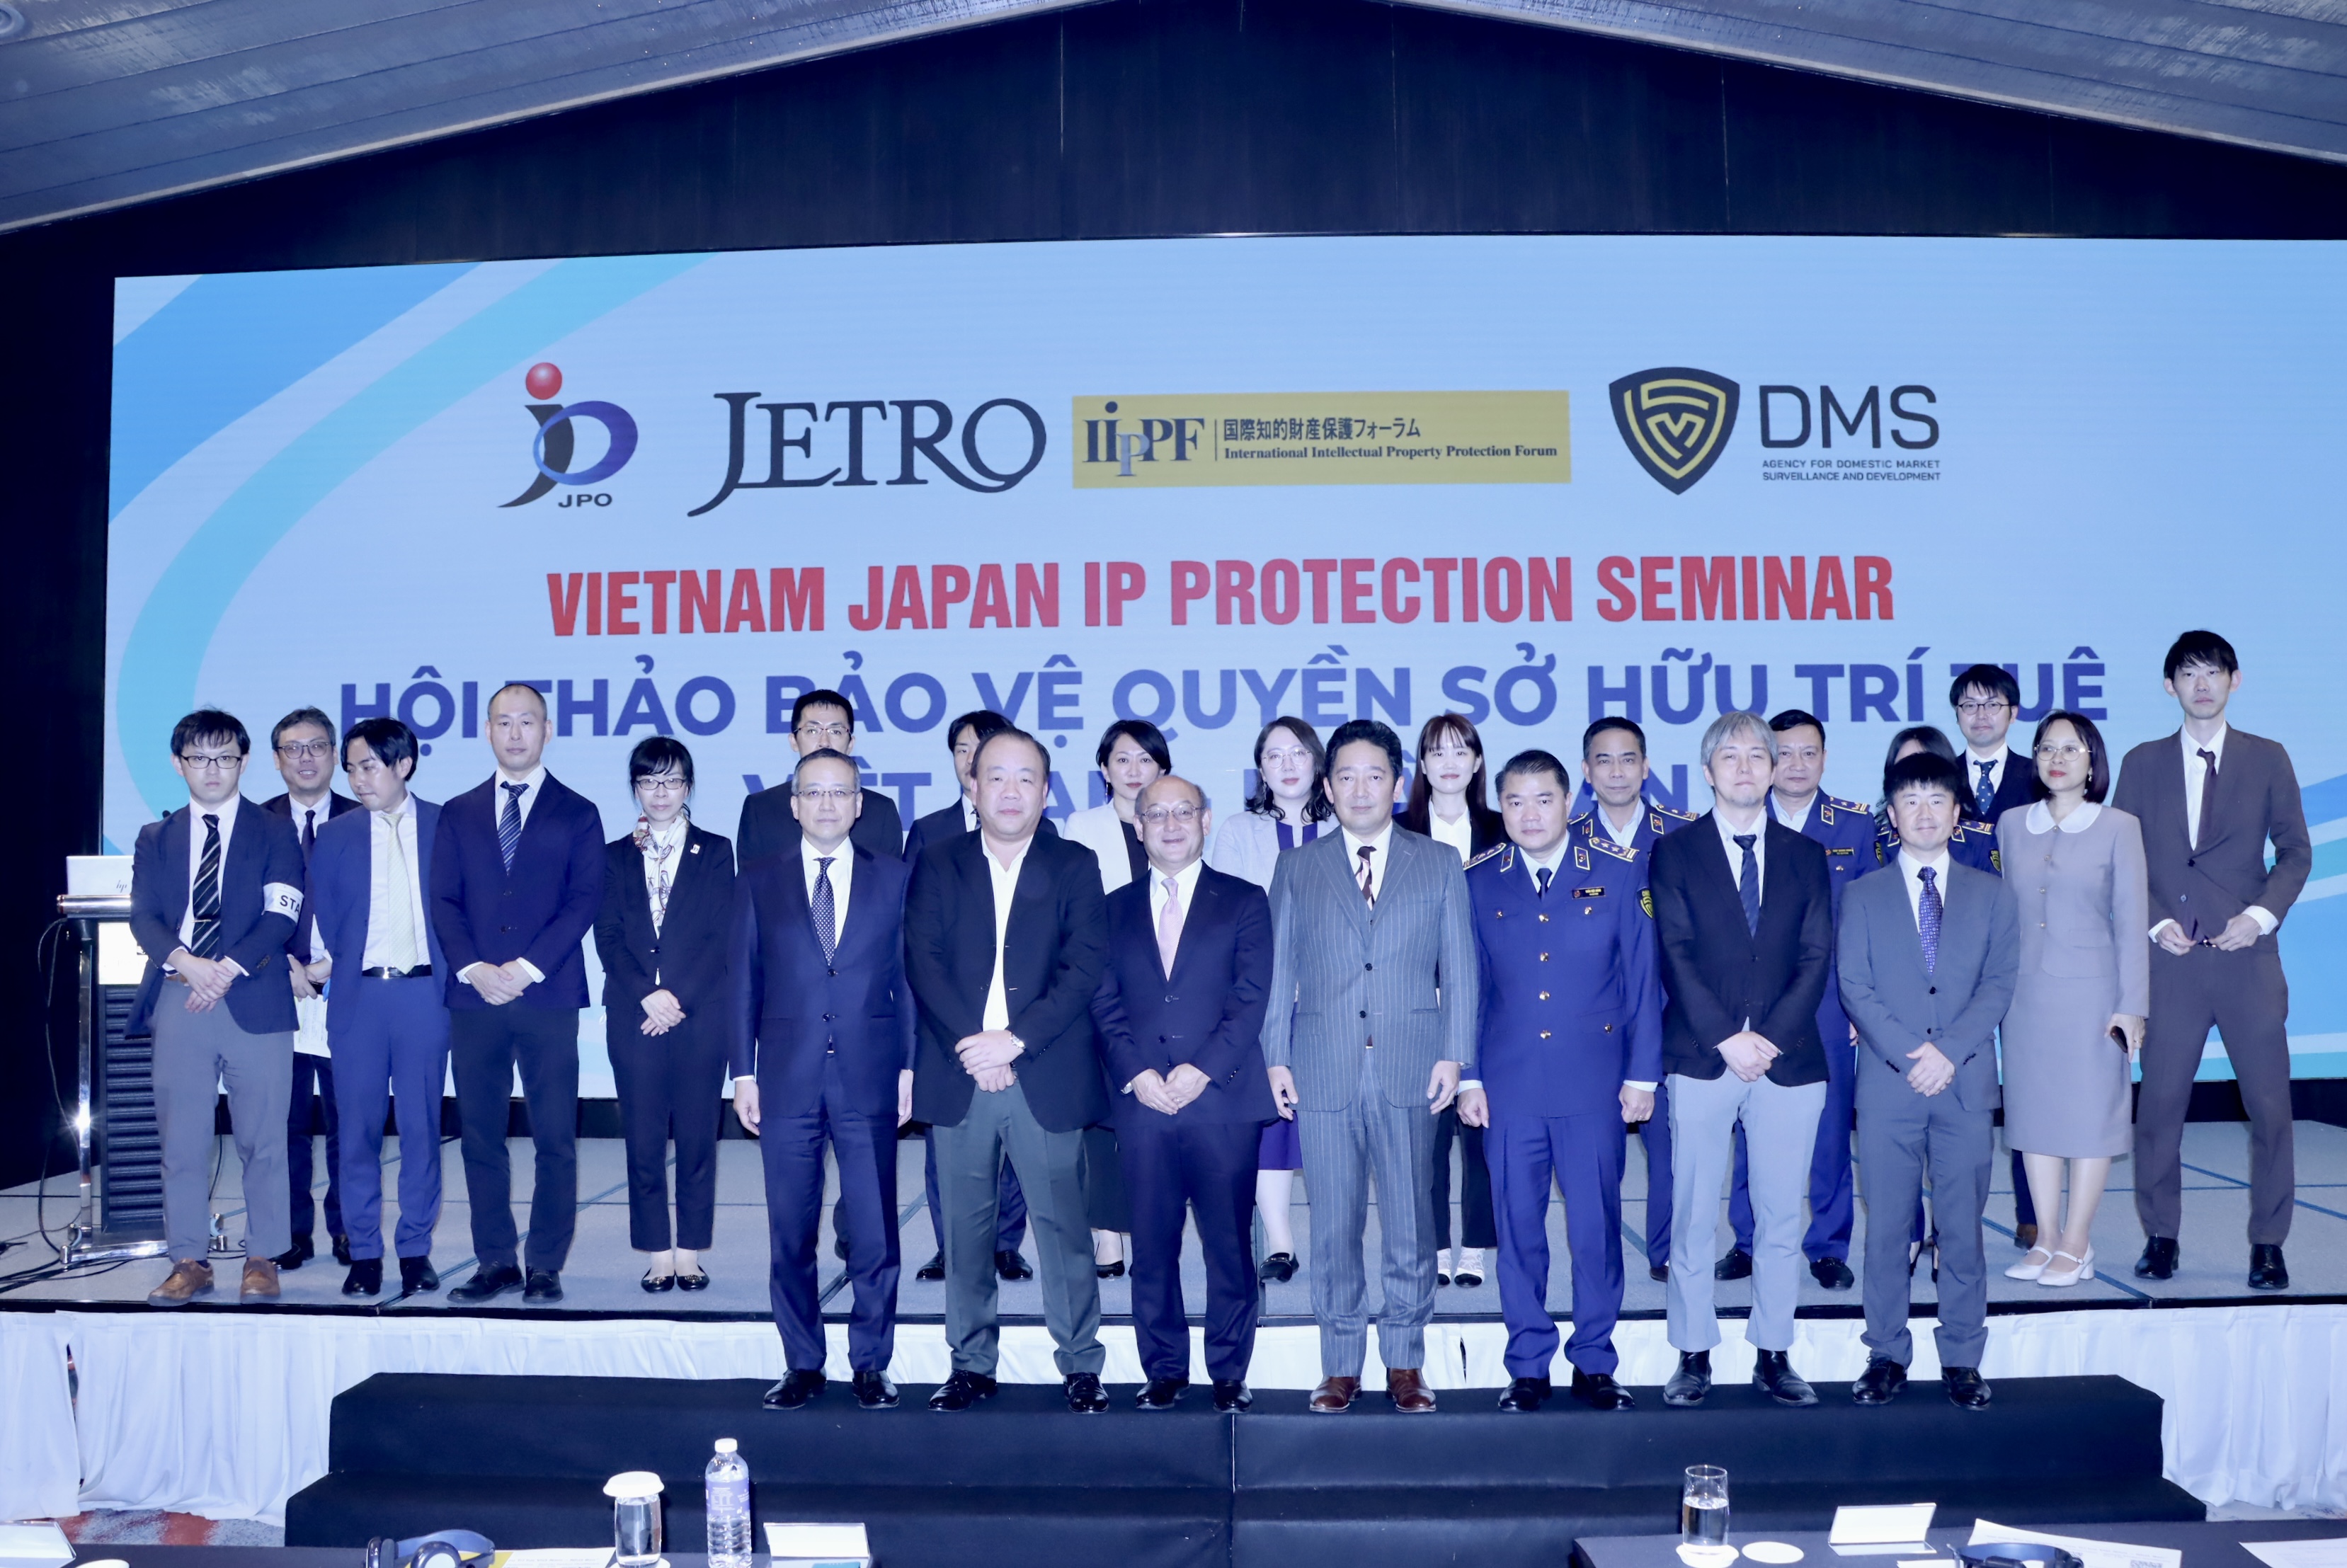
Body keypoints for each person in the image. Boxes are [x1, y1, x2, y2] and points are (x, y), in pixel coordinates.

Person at [1262, 719, 1477, 1414]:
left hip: (1412, 1063)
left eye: (1375, 775)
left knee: (1411, 1222)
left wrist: (1455, 1052)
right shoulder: (1298, 868)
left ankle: (1406, 1361)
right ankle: (1340, 1363)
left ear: (1398, 783)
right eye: (1346, 776)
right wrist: (1274, 1057)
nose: (1360, 789)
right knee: (1333, 1226)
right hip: (1321, 1067)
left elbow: (1461, 966)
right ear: (1326, 788)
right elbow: (1277, 970)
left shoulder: (1437, 862)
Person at [908, 726, 1114, 1414]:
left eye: (1027, 777)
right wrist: (976, 1045)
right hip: (960, 1071)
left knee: (1063, 1230)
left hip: (1042, 1069)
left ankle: (1080, 1363)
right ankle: (970, 1363)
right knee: (964, 1234)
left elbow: (1084, 965)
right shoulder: (937, 861)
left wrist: (1013, 1042)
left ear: (1046, 791)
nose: (1010, 790)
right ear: (972, 784)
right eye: (995, 775)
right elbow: (922, 961)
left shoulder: (1075, 863)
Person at [1458, 749, 1661, 1412]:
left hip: (1593, 1084)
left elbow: (1642, 982)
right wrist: (1467, 1076)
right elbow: (1466, 987)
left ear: (1568, 802)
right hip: (1508, 1086)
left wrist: (1642, 1075)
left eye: (1542, 799)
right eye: (1514, 801)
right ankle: (1527, 1363)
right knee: (1517, 1228)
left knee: (1595, 1229)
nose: (1528, 813)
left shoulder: (1619, 871)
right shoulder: (1477, 880)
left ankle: (1595, 1360)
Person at [2115, 631, 2312, 1291]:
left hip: (2246, 959)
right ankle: (2161, 1236)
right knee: (2159, 1106)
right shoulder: (2141, 762)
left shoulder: (2267, 757)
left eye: (2213, 672)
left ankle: (2268, 1243)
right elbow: (2123, 859)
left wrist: (2259, 916)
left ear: (2234, 679)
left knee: (2270, 1107)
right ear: (2168, 685)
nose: (2201, 685)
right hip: (2171, 963)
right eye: (2188, 673)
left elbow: (2295, 851)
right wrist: (2154, 921)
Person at [1648, 711, 1832, 1409]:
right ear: (1707, 771)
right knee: (1694, 1213)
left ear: (1775, 768)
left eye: (1759, 755)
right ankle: (1693, 1351)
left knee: (1782, 1216)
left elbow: (1816, 954)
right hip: (1703, 1053)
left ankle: (1774, 1351)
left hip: (1789, 1058)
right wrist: (1728, 1036)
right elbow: (1674, 952)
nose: (1747, 767)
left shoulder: (1805, 854)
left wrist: (1770, 1037)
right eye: (1731, 756)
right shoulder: (1675, 851)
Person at [730, 748, 916, 1411]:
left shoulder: (895, 877)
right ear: (794, 804)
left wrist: (909, 1065)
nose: (827, 804)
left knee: (874, 1229)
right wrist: (742, 1072)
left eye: (840, 792)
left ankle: (871, 1361)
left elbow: (908, 980)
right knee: (790, 1231)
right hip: (785, 1077)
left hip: (870, 1074)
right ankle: (802, 1362)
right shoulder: (758, 878)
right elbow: (742, 981)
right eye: (813, 792)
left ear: (859, 804)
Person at [1839, 751, 2020, 1411]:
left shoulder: (1991, 893)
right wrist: (1912, 1052)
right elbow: (1854, 984)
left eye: (1936, 800)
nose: (1923, 812)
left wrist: (1947, 1051)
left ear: (1956, 812)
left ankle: (1963, 1355)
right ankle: (1885, 1352)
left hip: (1964, 1082)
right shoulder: (1861, 894)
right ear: (1891, 815)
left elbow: (1998, 983)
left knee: (1961, 1227)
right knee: (1888, 1226)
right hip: (1888, 1085)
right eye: (1909, 801)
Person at [1090, 774, 1274, 1414]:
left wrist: (1201, 1070)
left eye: (1183, 812)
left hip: (1221, 1100)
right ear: (1138, 827)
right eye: (1156, 814)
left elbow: (1250, 997)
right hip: (1141, 1103)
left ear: (1205, 820)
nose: (1170, 824)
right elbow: (1102, 1001)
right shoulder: (1110, 908)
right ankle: (1163, 1369)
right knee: (1151, 1246)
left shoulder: (1244, 900)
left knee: (1228, 1246)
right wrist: (1136, 1073)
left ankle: (1228, 1371)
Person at [431, 682, 605, 1305]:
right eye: (503, 722)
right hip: (474, 998)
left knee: (554, 1136)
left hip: (548, 996)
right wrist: (474, 967)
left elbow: (584, 900)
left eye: (526, 721)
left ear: (547, 730)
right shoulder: (458, 811)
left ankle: (546, 1264)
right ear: (487, 730)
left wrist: (527, 968)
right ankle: (496, 1260)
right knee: (480, 1136)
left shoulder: (578, 811)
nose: (514, 733)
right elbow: (443, 899)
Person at [132, 709, 305, 1305]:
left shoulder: (274, 829)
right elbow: (143, 916)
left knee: (264, 1138)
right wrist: (188, 963)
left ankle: (263, 1256)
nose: (213, 769)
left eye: (225, 757)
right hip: (181, 998)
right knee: (182, 1142)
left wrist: (224, 968)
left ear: (244, 761)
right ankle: (189, 1258)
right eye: (200, 758)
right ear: (178, 763)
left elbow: (281, 912)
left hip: (254, 995)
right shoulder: (155, 837)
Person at [1718, 709, 1878, 1291]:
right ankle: (1747, 1240)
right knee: (1748, 1126)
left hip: (1829, 1002)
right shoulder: (1739, 820)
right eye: (1782, 752)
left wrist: (1859, 1002)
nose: (1795, 763)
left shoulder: (1855, 827)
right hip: (1753, 1004)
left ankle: (1828, 1245)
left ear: (1825, 759)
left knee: (1830, 1131)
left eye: (1808, 752)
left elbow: (1867, 921)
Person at [1998, 713, 2147, 1289]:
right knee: (2033, 1118)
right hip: (2024, 995)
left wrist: (2132, 1004)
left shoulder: (2118, 826)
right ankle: (2046, 1237)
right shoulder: (2012, 824)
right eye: (2045, 748)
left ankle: (2077, 1242)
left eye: (2070, 748)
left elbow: (2130, 920)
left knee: (2089, 1120)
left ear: (2092, 762)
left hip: (2093, 997)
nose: (2056, 758)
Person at [304, 717, 450, 1298]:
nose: (358, 779)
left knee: (421, 1129)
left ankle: (415, 1250)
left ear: (403, 765)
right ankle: (363, 1251)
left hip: (424, 996)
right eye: (351, 769)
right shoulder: (335, 835)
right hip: (358, 997)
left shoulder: (445, 825)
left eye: (369, 766)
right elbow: (324, 915)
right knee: (356, 1132)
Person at [1877, 723, 2029, 1252]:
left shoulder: (1980, 845)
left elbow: (1994, 957)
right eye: (1905, 777)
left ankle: (1950, 1240)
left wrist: (1955, 1040)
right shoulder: (1875, 842)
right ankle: (1910, 1235)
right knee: (1895, 1163)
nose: (1922, 804)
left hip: (1963, 1032)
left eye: (1932, 784)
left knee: (1961, 1166)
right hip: (1894, 1030)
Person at [594, 738, 738, 1292]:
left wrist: (677, 999)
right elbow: (607, 936)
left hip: (699, 1016)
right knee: (644, 1138)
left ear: (688, 786)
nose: (661, 792)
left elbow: (722, 933)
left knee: (699, 1138)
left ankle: (690, 1249)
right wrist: (645, 995)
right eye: (649, 781)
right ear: (635, 787)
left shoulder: (716, 849)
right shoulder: (613, 855)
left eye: (672, 780)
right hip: (634, 1016)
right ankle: (658, 1249)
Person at [898, 708, 1032, 1285]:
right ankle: (949, 1245)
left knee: (1018, 1143)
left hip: (1017, 1019)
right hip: (948, 1015)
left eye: (986, 748)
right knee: (946, 1142)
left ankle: (1005, 1244)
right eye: (962, 750)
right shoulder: (929, 830)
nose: (973, 758)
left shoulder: (1040, 829)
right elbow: (914, 932)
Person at [1206, 716, 1333, 1284]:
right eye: (1274, 755)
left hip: (1335, 999)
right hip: (1265, 998)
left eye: (1297, 752)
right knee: (1272, 1123)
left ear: (1316, 760)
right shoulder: (1239, 830)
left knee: (1331, 1122)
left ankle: (1334, 1238)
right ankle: (1280, 1242)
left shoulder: (1345, 825)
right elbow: (1226, 918)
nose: (1286, 764)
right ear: (1260, 768)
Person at [1573, 716, 1692, 1283]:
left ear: (1646, 768)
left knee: (1669, 1145)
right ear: (1585, 770)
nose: (1616, 771)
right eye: (1604, 760)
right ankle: (1599, 1256)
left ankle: (1666, 1250)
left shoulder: (1684, 835)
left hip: (1669, 1014)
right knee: (1594, 1152)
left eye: (1628, 759)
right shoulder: (1564, 836)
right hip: (1588, 1021)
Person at [1399, 713, 1504, 1289]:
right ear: (1421, 763)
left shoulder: (1502, 828)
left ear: (1477, 761)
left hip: (1489, 999)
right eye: (1436, 752)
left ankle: (1477, 1246)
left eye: (1460, 750)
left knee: (1483, 1131)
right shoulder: (1397, 830)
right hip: (1417, 1000)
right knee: (1426, 1136)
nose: (1448, 762)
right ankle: (1435, 1244)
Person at [1066, 720, 1172, 1279]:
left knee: (1154, 1112)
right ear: (1104, 769)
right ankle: (1107, 1235)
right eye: (1122, 760)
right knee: (1103, 1114)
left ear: (1163, 768)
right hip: (1099, 982)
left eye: (1145, 760)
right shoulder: (1080, 827)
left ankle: (1150, 1227)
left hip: (1163, 988)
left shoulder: (1176, 820)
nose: (1134, 770)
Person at [261, 706, 362, 1271]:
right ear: (277, 759)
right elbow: (238, 909)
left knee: (350, 1121)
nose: (306, 757)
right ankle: (290, 1232)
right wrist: (282, 963)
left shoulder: (365, 817)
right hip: (274, 990)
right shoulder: (255, 824)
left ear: (335, 756)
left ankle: (349, 1227)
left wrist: (333, 964)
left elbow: (380, 905)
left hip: (346, 990)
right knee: (285, 1123)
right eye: (293, 748)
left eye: (318, 746)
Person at [736, 688, 904, 866]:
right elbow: (751, 880)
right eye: (812, 731)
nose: (824, 742)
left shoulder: (881, 812)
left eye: (836, 731)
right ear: (793, 741)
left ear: (851, 744)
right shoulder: (760, 809)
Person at [1875, 727, 2000, 876]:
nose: (1917, 774)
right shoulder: (1876, 842)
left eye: (1928, 764)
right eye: (1906, 765)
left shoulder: (1978, 842)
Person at [1951, 664, 2037, 825]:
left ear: (2013, 713)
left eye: (1992, 705)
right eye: (1970, 705)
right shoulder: (1943, 775)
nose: (1981, 715)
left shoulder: (2037, 775)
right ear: (1957, 714)